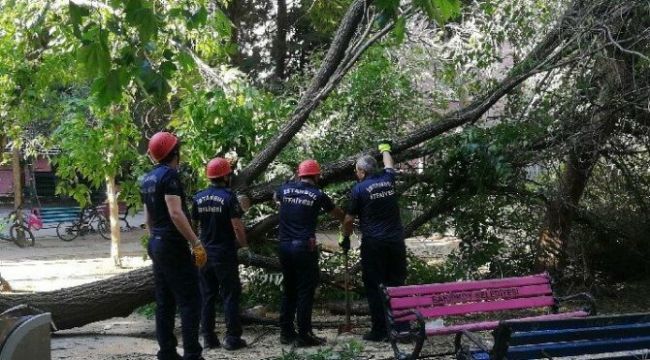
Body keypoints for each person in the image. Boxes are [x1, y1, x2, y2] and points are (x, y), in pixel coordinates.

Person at [140, 131, 207, 360]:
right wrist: (195, 242)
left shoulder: (148, 178)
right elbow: (176, 213)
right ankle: (192, 354)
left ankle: (167, 352)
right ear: (174, 153)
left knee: (165, 300)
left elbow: (148, 218)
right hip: (172, 244)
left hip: (157, 243)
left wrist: (155, 240)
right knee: (190, 300)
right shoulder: (170, 176)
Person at [340, 141, 407, 342]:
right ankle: (402, 328)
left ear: (362, 171)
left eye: (356, 170)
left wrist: (345, 237)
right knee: (397, 284)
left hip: (374, 244)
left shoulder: (359, 189)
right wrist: (385, 149)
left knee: (375, 286)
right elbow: (389, 164)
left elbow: (349, 219)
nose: (355, 173)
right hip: (396, 243)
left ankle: (380, 330)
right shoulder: (388, 179)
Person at [275, 159, 345, 347]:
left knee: (289, 289)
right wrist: (347, 221)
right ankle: (304, 334)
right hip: (304, 247)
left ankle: (286, 332)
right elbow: (337, 214)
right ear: (317, 176)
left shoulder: (284, 189)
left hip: (284, 246)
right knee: (305, 291)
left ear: (299, 174)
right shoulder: (318, 194)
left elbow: (277, 200)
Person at [191, 157, 248, 351]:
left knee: (207, 295)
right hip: (224, 253)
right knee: (230, 295)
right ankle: (232, 338)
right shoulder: (228, 197)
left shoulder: (198, 197)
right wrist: (243, 244)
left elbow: (194, 226)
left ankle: (208, 338)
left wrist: (197, 246)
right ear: (225, 176)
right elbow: (237, 226)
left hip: (204, 253)